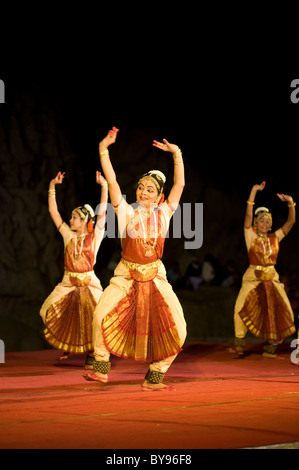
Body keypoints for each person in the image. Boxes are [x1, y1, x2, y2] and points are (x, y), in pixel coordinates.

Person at [84, 126, 187, 391]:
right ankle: (101, 368)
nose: (143, 192)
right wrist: (103, 150)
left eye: (150, 189)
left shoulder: (165, 214)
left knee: (180, 328)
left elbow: (180, 184)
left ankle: (155, 375)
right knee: (100, 316)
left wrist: (177, 154)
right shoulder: (126, 213)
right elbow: (114, 182)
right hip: (126, 274)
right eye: (141, 188)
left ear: (160, 196)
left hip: (156, 275)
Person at [40, 170, 108, 368]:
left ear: (85, 221)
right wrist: (52, 186)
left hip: (90, 281)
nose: (71, 220)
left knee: (98, 318)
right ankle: (68, 343)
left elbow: (102, 213)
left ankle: (94, 354)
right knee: (46, 310)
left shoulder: (95, 236)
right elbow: (54, 213)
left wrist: (104, 187)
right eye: (71, 217)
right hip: (68, 282)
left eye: (75, 217)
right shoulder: (67, 235)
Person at [231, 181, 296, 357]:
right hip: (253, 276)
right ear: (256, 224)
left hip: (272, 277)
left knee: (282, 310)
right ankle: (239, 343)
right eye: (262, 221)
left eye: (268, 221)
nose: (265, 223)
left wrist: (291, 203)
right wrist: (253, 192)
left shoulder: (275, 237)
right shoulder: (250, 236)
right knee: (240, 306)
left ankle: (270, 347)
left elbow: (291, 221)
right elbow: (247, 215)